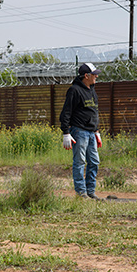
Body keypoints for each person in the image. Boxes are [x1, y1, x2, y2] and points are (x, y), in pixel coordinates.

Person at [59, 62, 103, 199]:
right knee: (79, 162)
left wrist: (96, 131)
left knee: (94, 161)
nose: (96, 76)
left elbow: (93, 111)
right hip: (79, 131)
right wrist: (66, 132)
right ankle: (81, 192)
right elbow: (66, 112)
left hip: (91, 132)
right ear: (86, 75)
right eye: (94, 74)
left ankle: (90, 191)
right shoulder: (74, 90)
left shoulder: (92, 90)